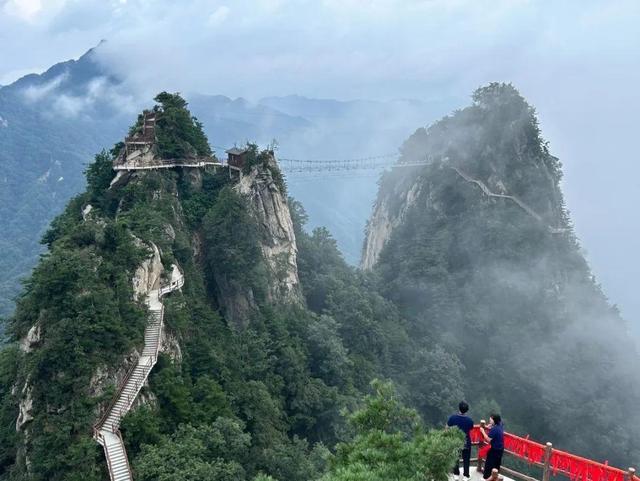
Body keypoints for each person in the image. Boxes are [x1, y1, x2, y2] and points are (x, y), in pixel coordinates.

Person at [447, 401, 474, 481]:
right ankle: (466, 476)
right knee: (466, 459)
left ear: (459, 408)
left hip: (456, 442)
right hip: (466, 442)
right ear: (467, 410)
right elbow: (471, 428)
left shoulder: (453, 418)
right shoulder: (469, 420)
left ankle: (456, 474)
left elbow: (446, 428)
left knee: (456, 458)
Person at [479, 414, 504, 480]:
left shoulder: (494, 429)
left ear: (494, 420)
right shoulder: (500, 426)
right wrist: (490, 426)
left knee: (489, 464)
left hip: (494, 450)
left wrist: (482, 431)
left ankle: (487, 478)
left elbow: (488, 439)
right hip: (500, 449)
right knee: (496, 465)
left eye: (491, 420)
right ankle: (495, 478)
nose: (489, 420)